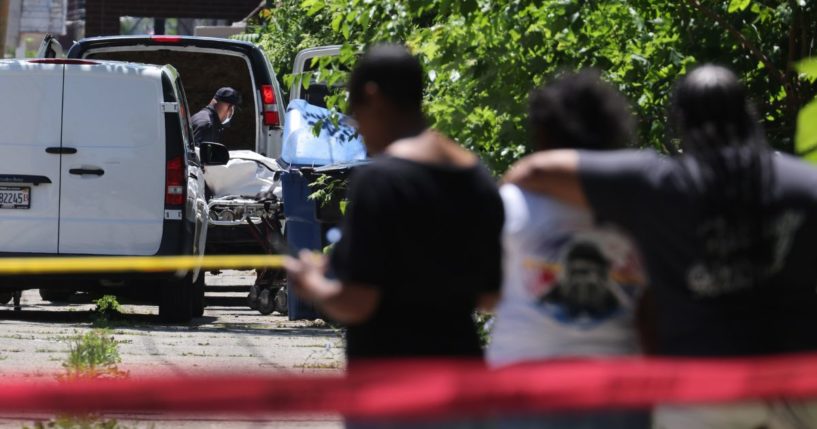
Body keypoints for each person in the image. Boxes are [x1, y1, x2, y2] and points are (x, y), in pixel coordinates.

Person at [504, 64, 817, 428]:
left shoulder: (660, 185)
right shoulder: (805, 185)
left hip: (702, 393)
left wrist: (510, 198)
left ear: (681, 121)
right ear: (749, 114)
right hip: (799, 380)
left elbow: (537, 171)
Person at [284, 44, 504, 364]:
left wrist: (311, 282)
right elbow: (490, 296)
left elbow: (356, 301)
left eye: (355, 114)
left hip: (390, 383)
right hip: (462, 376)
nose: (357, 129)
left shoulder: (381, 181)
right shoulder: (475, 174)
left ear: (373, 98)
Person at [485, 71, 649, 429]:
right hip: (618, 391)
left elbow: (484, 294)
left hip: (524, 389)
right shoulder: (646, 207)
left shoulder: (512, 201)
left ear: (543, 133)